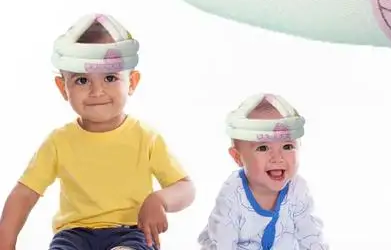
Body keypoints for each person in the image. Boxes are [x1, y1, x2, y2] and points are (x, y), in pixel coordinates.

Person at [0, 14, 195, 250]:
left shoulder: (147, 138)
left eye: (110, 78)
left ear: (132, 82)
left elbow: (185, 187)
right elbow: (24, 194)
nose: (97, 92)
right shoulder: (58, 142)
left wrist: (160, 200)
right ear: (63, 87)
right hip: (73, 235)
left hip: (131, 231)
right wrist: (5, 243)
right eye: (82, 81)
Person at [199, 93, 327, 250]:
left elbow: (311, 235)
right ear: (238, 157)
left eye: (287, 146)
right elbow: (222, 241)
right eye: (263, 148)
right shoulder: (232, 195)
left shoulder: (297, 189)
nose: (277, 158)